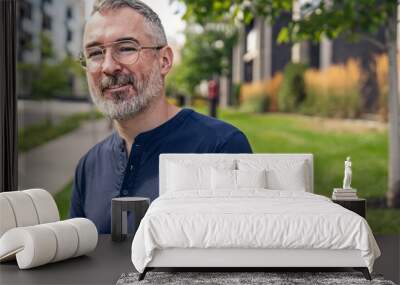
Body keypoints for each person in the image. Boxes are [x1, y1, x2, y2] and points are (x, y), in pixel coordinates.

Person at [70, 0, 252, 234]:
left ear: (164, 60)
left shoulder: (221, 148)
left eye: (126, 48)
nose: (108, 66)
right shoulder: (88, 166)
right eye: (95, 53)